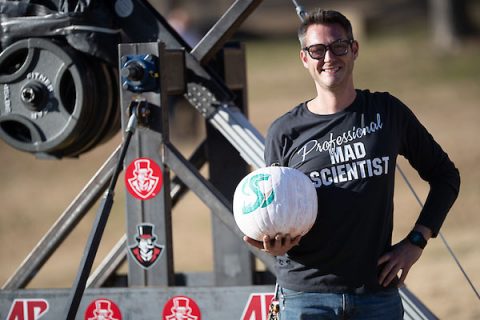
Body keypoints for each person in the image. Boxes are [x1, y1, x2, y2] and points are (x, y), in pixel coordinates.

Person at [243, 9, 460, 319]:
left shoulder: (386, 112)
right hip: (306, 297)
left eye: (338, 46)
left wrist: (416, 241)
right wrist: (274, 245)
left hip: (375, 296)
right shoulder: (285, 131)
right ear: (305, 58)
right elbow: (275, 211)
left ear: (354, 49)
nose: (329, 57)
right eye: (317, 50)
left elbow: (445, 176)